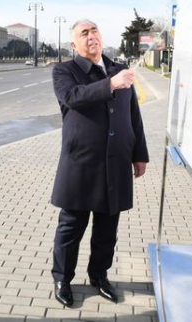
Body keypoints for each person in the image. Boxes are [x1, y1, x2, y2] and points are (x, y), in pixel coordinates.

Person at [50, 19, 149, 306]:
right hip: (81, 162)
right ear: (74, 44)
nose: (91, 36)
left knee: (108, 227)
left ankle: (99, 275)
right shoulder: (65, 71)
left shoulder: (119, 70)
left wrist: (139, 153)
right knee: (71, 227)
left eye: (94, 31)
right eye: (84, 33)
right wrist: (110, 84)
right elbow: (72, 97)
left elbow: (133, 114)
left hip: (116, 162)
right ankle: (62, 279)